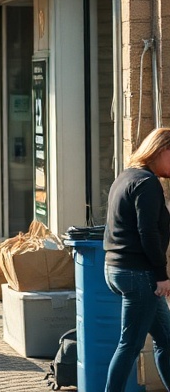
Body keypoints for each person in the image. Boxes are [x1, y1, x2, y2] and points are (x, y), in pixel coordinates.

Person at [103, 127, 170, 392]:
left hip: (116, 269)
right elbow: (147, 232)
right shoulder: (147, 183)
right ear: (162, 150)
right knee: (129, 344)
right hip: (138, 274)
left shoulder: (126, 177)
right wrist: (161, 275)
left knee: (165, 339)